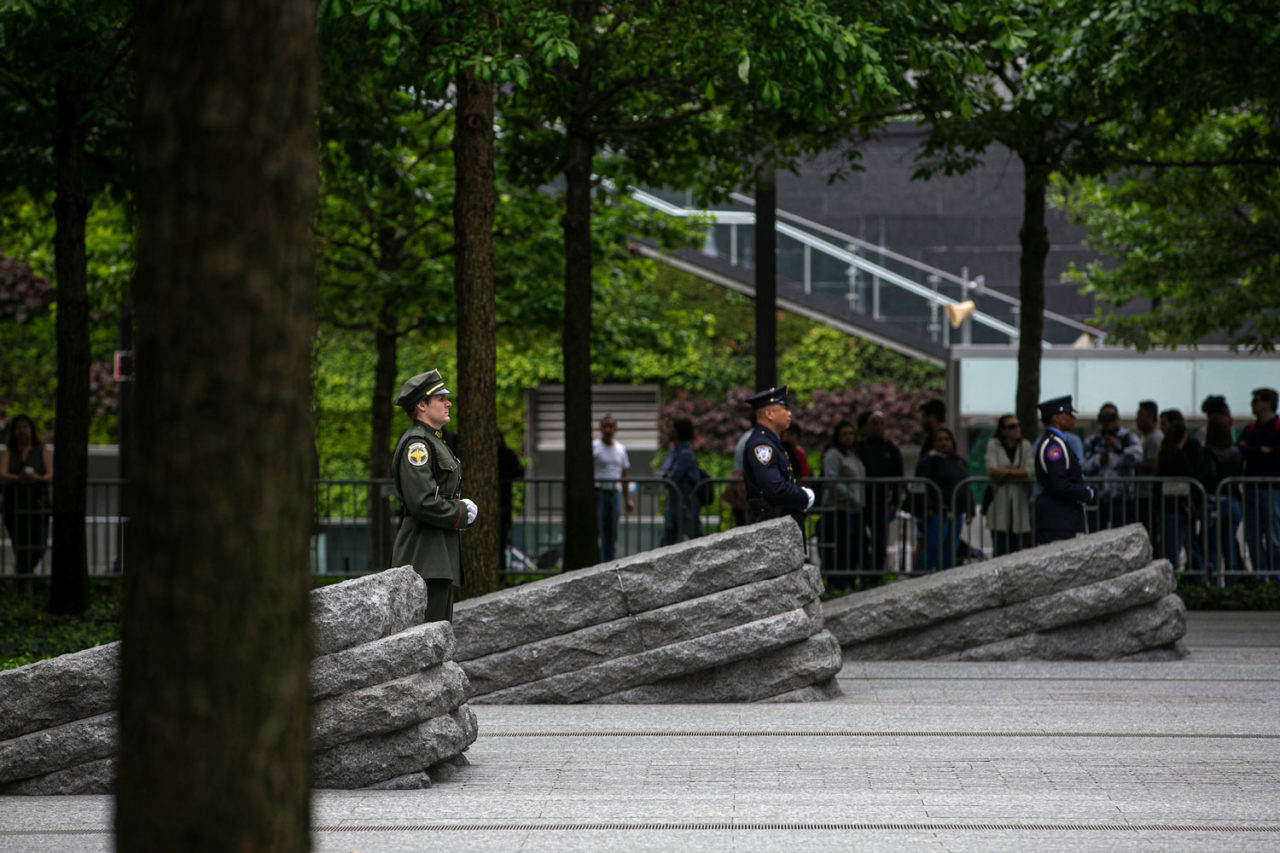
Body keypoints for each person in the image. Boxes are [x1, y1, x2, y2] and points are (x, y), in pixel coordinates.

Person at [390, 369, 476, 622]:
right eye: (441, 398)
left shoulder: (434, 440)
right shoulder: (418, 444)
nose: (448, 403)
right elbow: (422, 502)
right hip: (425, 554)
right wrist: (461, 513)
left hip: (436, 553)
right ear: (422, 405)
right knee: (428, 634)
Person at [742, 385, 815, 534]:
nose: (789, 414)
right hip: (770, 525)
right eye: (784, 409)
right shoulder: (762, 445)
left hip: (777, 523)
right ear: (769, 413)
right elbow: (774, 488)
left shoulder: (771, 441)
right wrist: (804, 497)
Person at [1, 415, 53, 595]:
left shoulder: (41, 451)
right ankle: (27, 584)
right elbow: (3, 472)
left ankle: (18, 580)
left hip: (37, 505)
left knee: (38, 542)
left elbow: (49, 473)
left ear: (31, 430)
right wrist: (19, 478)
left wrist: (36, 478)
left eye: (25, 427)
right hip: (14, 505)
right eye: (18, 428)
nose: (22, 431)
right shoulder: (9, 453)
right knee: (20, 544)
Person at [1034, 395, 1095, 545]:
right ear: (1056, 418)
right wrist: (1086, 493)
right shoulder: (1053, 446)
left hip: (1061, 518)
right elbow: (1059, 484)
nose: (1072, 417)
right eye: (1068, 414)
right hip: (1057, 518)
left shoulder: (1059, 442)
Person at [1238, 387, 1280, 581]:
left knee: (1273, 536)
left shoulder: (1277, 426)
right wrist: (1260, 450)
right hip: (1252, 489)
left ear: (1267, 404)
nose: (1252, 405)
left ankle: (1275, 577)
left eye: (1256, 401)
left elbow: (1274, 455)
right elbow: (1240, 450)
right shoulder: (1250, 429)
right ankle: (1261, 578)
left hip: (1272, 489)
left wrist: (1254, 450)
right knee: (1252, 536)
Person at [856, 410, 901, 585]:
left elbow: (898, 477)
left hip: (881, 501)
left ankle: (877, 575)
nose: (878, 427)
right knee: (860, 538)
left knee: (880, 540)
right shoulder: (860, 447)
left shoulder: (891, 449)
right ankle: (864, 573)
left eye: (881, 423)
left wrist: (895, 502)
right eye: (874, 423)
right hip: (861, 500)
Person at [915, 426, 969, 571]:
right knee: (933, 547)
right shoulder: (928, 461)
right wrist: (927, 506)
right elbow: (921, 485)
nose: (944, 443)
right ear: (933, 443)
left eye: (947, 439)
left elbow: (965, 484)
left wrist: (969, 509)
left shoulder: (959, 461)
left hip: (956, 513)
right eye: (940, 440)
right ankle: (921, 576)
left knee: (950, 550)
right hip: (936, 513)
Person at [1082, 402, 1143, 531]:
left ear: (1118, 418)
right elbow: (1083, 467)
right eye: (1104, 417)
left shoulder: (1129, 438)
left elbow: (1138, 458)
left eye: (1111, 417)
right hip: (1098, 499)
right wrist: (1099, 460)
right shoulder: (1092, 441)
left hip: (1122, 499)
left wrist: (1119, 449)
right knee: (1096, 538)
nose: (1108, 422)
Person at [819, 420, 865, 589]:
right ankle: (837, 583)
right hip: (838, 508)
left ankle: (850, 581)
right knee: (840, 547)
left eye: (851, 433)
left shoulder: (852, 455)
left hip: (854, 508)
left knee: (853, 546)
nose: (848, 437)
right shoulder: (833, 454)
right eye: (844, 434)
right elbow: (831, 479)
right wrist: (849, 495)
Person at [1200, 411, 1243, 583]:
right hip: (1233, 501)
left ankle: (1211, 583)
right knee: (1230, 544)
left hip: (1215, 502)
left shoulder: (1209, 451)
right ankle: (1232, 583)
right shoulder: (1235, 451)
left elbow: (1209, 475)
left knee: (1211, 545)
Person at [984, 414, 1033, 556]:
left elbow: (1029, 471)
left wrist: (1005, 472)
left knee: (1016, 549)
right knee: (999, 548)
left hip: (1019, 503)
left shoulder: (1025, 446)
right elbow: (992, 469)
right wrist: (1017, 473)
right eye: (1012, 426)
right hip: (999, 502)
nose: (1017, 429)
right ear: (1003, 430)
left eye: (1018, 425)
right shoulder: (993, 444)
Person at [592, 414, 633, 561]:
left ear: (616, 429)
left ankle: (608, 563)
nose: (607, 429)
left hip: (613, 493)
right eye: (604, 426)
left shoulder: (620, 449)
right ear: (600, 428)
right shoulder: (594, 447)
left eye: (610, 426)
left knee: (612, 532)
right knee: (597, 530)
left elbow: (624, 475)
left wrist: (628, 499)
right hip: (598, 493)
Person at [1156, 421, 1196, 571]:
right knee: (1173, 548)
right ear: (1184, 436)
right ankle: (1169, 579)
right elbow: (1190, 477)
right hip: (1177, 507)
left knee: (1166, 546)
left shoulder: (1164, 454)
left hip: (1165, 506)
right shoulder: (1178, 456)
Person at [658, 417, 701, 545]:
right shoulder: (674, 452)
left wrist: (668, 475)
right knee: (669, 537)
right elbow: (662, 474)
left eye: (672, 429)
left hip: (686, 504)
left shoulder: (685, 453)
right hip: (674, 504)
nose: (668, 431)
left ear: (678, 432)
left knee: (692, 538)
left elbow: (672, 478)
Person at [497, 432, 525, 572]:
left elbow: (519, 471)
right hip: (499, 501)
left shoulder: (507, 455)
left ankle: (501, 571)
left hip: (503, 502)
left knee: (502, 538)